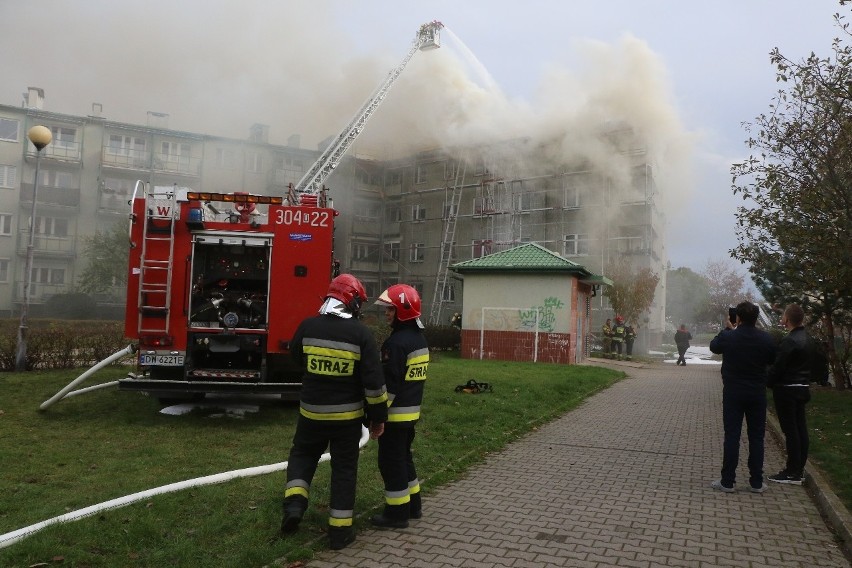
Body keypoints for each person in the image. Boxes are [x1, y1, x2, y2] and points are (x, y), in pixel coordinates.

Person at [281, 274, 388, 550]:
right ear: (352, 302)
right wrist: (378, 419)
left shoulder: (308, 326)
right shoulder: (361, 335)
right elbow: (374, 384)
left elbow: (295, 358)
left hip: (311, 414)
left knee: (303, 455)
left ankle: (294, 505)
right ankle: (340, 533)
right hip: (347, 420)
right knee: (343, 471)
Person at [371, 284, 429, 529]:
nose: (386, 314)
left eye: (390, 310)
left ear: (402, 311)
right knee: (404, 459)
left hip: (394, 416)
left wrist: (378, 416)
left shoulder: (395, 344)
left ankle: (397, 514)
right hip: (411, 413)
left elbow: (390, 386)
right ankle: (413, 505)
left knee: (391, 463)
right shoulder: (418, 340)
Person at [709, 301, 777, 493]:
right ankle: (756, 482)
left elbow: (714, 346)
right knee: (757, 437)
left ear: (737, 317)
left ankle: (728, 481)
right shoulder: (765, 339)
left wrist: (727, 329)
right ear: (756, 318)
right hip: (757, 393)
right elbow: (772, 359)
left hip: (733, 393)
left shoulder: (729, 337)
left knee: (732, 436)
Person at [767, 304, 816, 485]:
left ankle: (792, 471)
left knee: (791, 431)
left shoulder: (790, 341)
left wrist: (768, 381)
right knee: (801, 429)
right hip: (802, 388)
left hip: (787, 389)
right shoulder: (809, 339)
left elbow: (779, 366)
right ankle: (799, 469)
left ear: (786, 319)